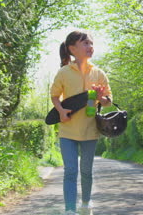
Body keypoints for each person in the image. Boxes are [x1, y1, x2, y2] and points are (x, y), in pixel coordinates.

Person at [50, 30, 112, 215]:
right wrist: (61, 111)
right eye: (85, 43)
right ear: (72, 49)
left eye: (91, 43)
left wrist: (102, 97)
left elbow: (108, 101)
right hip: (68, 130)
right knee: (70, 171)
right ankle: (70, 210)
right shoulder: (64, 72)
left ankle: (85, 204)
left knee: (86, 171)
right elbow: (54, 96)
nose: (90, 47)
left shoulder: (99, 73)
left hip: (90, 130)